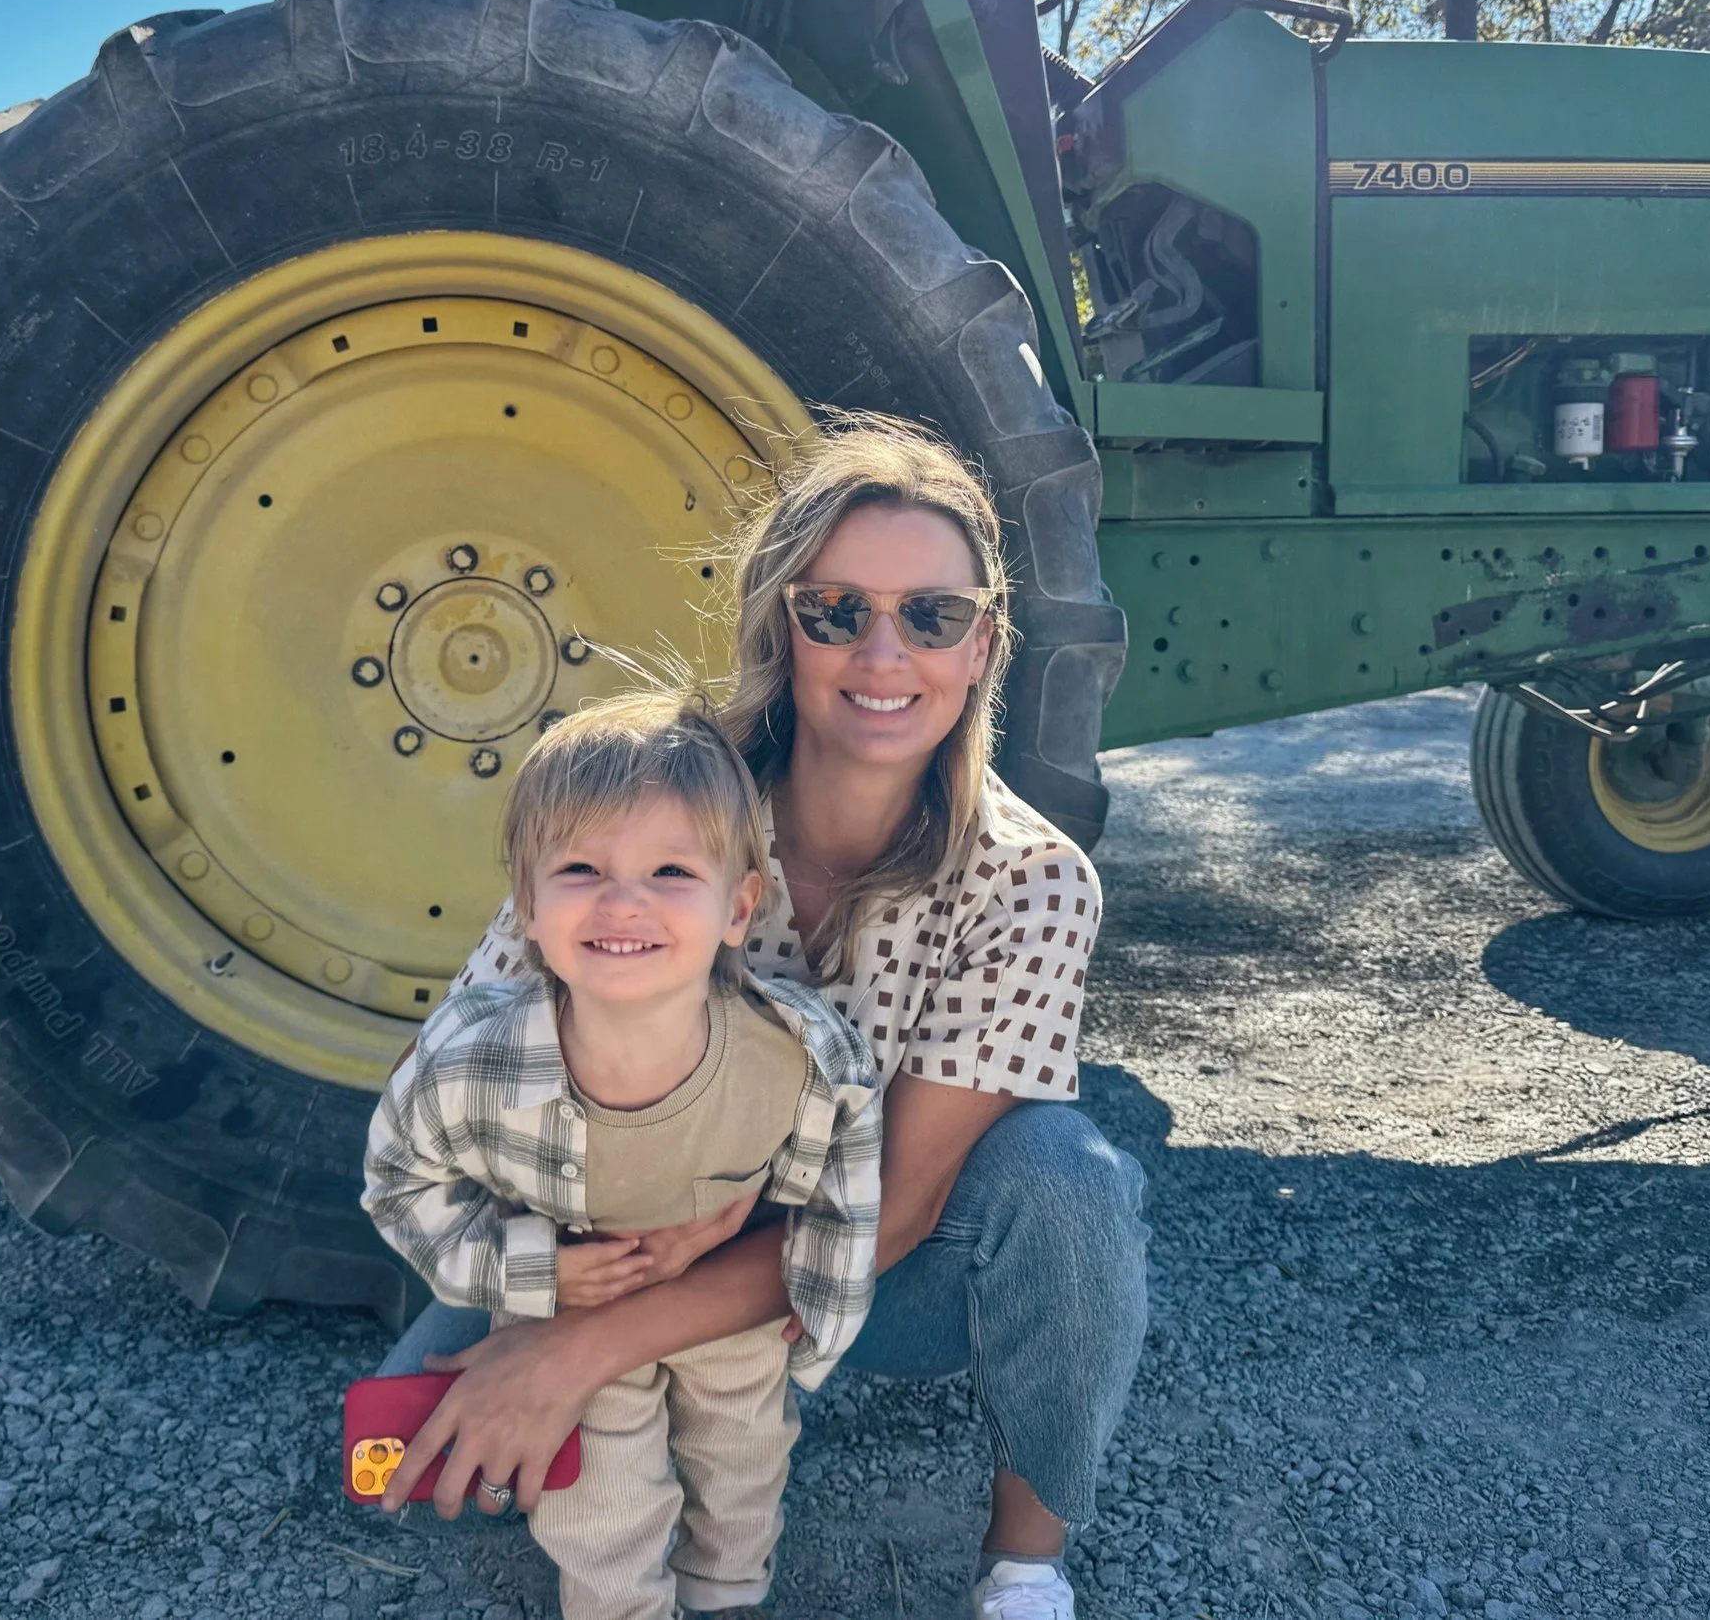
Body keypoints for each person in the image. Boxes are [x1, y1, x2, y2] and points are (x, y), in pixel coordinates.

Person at [379, 414, 1150, 1620]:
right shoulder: (656, 792)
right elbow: (478, 1035)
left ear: (983, 642)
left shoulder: (1033, 882)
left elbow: (892, 1211)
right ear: (781, 627)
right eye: (835, 610)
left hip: (859, 1270)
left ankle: (1024, 1562)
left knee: (1069, 1179)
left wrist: (578, 1350)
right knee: (419, 1462)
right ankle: (658, 1414)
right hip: (615, 1223)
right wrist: (550, 1276)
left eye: (932, 615)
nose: (883, 652)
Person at [362, 689, 884, 1620]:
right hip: (566, 1293)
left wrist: (818, 1307)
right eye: (581, 868)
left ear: (739, 907)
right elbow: (398, 1183)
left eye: (671, 871)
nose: (623, 901)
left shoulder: (797, 1054)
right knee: (599, 1495)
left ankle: (726, 1593)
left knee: (744, 1451)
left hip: (721, 1286)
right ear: (527, 905)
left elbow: (841, 1174)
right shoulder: (472, 1059)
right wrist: (532, 1272)